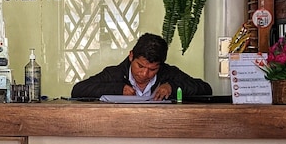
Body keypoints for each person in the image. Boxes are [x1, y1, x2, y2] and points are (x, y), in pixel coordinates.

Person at [71, 32, 212, 100]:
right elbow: (78, 90)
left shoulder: (168, 73)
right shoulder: (114, 74)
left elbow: (206, 89)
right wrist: (117, 89)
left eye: (152, 69)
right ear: (131, 56)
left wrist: (172, 87)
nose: (144, 74)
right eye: (140, 66)